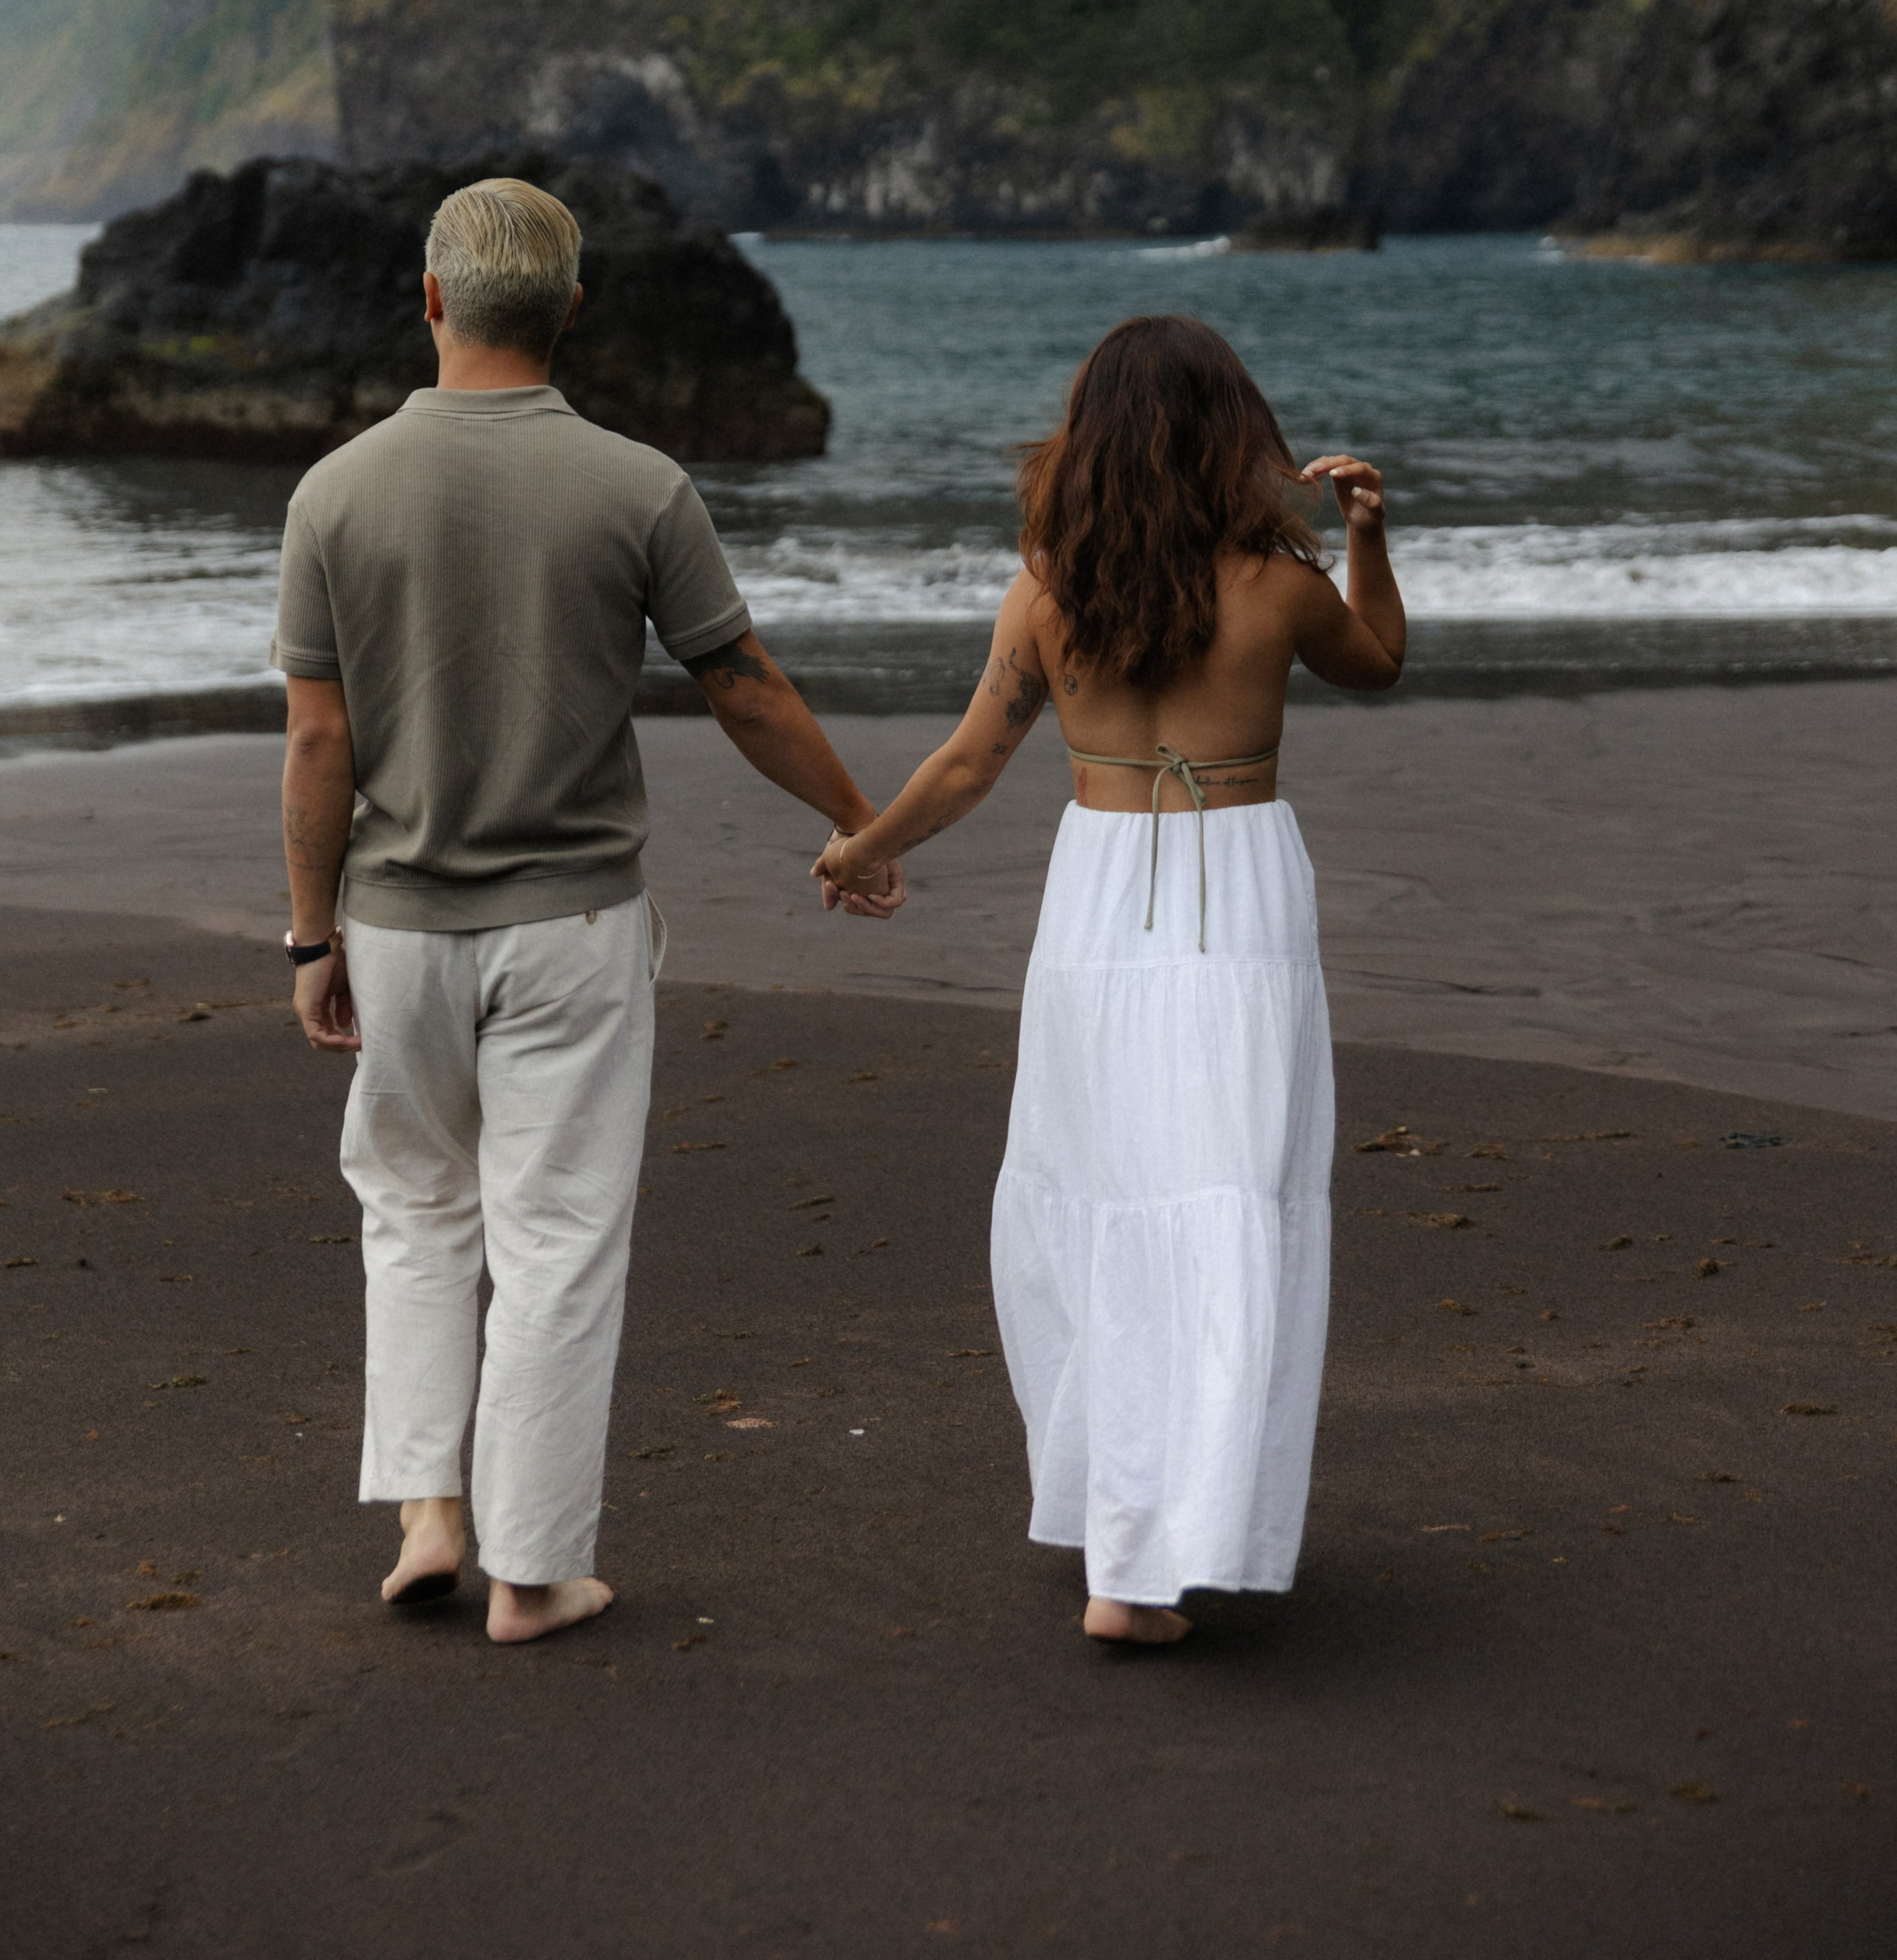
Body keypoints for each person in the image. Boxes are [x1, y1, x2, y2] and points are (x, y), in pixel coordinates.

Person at [275, 176, 902, 1644]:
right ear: (571, 308)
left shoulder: (334, 492)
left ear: (430, 301)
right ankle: (534, 1570)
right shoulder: (637, 486)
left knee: (415, 1207)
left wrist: (311, 937)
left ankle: (430, 1513)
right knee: (551, 1235)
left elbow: (318, 746)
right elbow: (739, 684)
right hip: (571, 929)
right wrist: (854, 825)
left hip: (398, 923)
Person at [814, 314, 1404, 1645]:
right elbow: (1380, 664)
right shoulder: (1278, 584)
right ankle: (1149, 1556)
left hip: (1098, 898)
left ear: (1090, 441)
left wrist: (860, 849)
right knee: (1226, 1202)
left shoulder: (1047, 592)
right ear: (1227, 435)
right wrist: (1368, 530)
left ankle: (1121, 1525)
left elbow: (967, 766)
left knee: (1104, 1197)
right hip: (1236, 894)